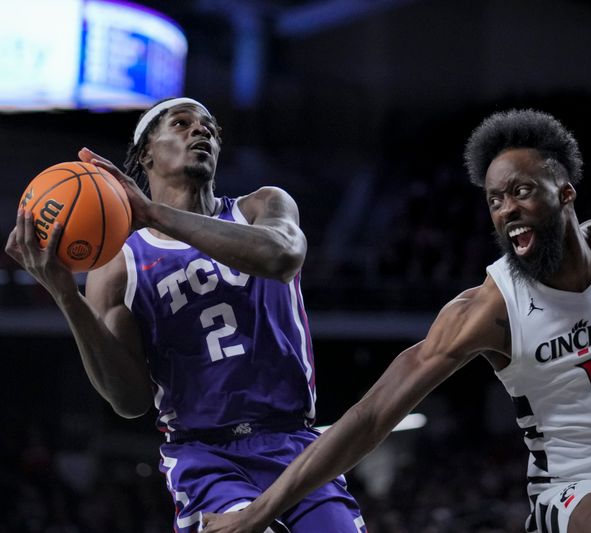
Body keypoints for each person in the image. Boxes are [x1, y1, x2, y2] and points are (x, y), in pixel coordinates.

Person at [201, 108, 591, 533]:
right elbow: (371, 416)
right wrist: (261, 511)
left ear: (565, 192)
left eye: (521, 190)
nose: (506, 208)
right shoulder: (488, 309)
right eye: (493, 199)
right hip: (575, 500)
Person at [5, 97, 366, 533]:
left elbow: (283, 256)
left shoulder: (260, 207)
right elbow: (129, 400)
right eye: (182, 123)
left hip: (296, 442)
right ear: (146, 154)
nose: (202, 132)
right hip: (206, 457)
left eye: (210, 128)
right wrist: (66, 295)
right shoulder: (120, 263)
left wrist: (156, 214)